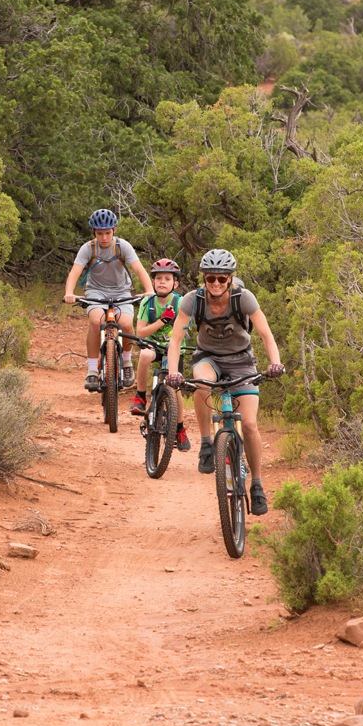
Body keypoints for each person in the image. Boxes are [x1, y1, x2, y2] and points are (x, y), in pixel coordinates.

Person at [164, 249, 285, 515]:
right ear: (203, 278)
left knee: (250, 425)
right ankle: (207, 444)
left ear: (230, 279)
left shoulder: (244, 298)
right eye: (210, 278)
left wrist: (274, 363)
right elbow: (175, 340)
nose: (216, 283)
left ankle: (256, 484)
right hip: (209, 358)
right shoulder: (191, 300)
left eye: (221, 278)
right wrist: (173, 372)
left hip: (242, 360)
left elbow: (266, 334)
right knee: (201, 383)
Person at [62, 209, 154, 393]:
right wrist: (69, 292)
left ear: (114, 230)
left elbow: (139, 269)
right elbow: (75, 272)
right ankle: (92, 370)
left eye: (108, 233)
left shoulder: (123, 246)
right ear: (94, 233)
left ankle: (126, 361)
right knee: (96, 322)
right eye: (99, 233)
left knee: (127, 324)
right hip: (96, 292)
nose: (104, 237)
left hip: (122, 292)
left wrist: (149, 290)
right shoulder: (88, 248)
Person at [130, 258, 192, 451]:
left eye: (167, 278)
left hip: (174, 348)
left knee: (176, 387)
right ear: (153, 282)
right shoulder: (147, 302)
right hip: (152, 345)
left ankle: (180, 429)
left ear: (175, 283)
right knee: (145, 355)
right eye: (158, 278)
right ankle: (140, 397)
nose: (162, 282)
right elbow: (140, 332)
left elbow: (184, 328)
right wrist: (162, 321)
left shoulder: (181, 302)